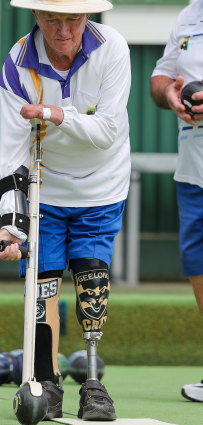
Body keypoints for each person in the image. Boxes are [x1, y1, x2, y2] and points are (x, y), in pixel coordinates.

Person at [0, 0, 131, 419]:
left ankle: (92, 383)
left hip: (102, 183)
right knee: (43, 281)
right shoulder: (18, 63)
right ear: (36, 16)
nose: (64, 30)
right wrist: (11, 226)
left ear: (87, 17)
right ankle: (45, 382)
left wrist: (54, 114)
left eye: (73, 19)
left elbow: (107, 130)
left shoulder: (113, 48)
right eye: (52, 19)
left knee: (91, 274)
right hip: (44, 187)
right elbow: (10, 150)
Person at [151, 0, 203, 403]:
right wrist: (169, 93)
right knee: (199, 264)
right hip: (193, 169)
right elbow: (161, 77)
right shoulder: (188, 14)